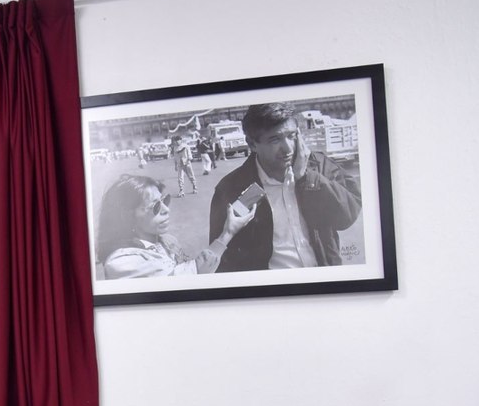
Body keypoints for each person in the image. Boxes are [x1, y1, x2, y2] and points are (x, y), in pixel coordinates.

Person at [209, 102, 362, 272]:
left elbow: (347, 216)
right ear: (252, 144)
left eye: (292, 135)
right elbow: (224, 257)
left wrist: (307, 178)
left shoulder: (319, 166)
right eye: (275, 139)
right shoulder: (231, 188)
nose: (288, 148)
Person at [96, 174, 254, 279]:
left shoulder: (167, 240)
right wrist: (228, 233)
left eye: (165, 200)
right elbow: (188, 277)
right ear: (127, 216)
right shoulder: (121, 263)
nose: (166, 209)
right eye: (155, 207)